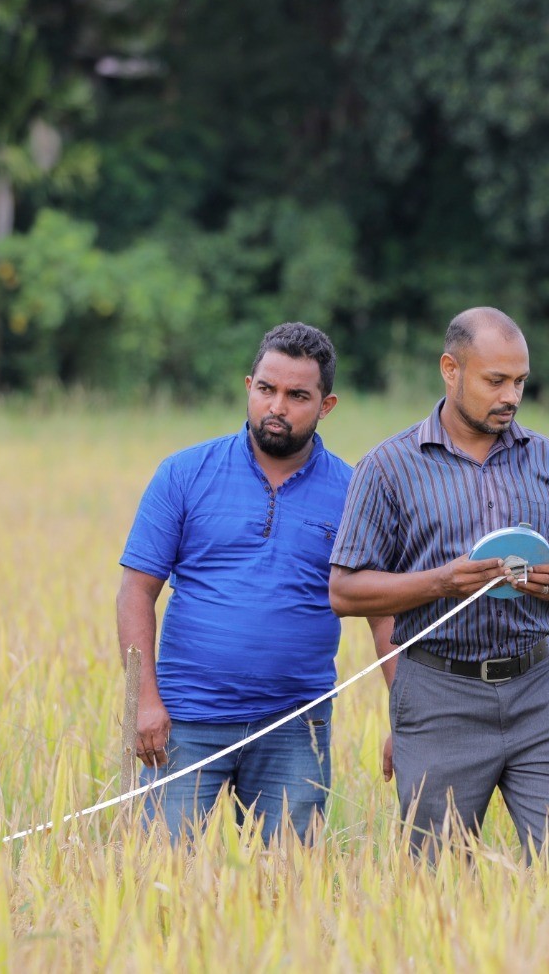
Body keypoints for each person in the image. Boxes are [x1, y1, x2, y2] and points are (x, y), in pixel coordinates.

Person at [327, 307, 549, 860]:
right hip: (438, 696)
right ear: (450, 370)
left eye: (520, 381)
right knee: (437, 878)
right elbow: (346, 591)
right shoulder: (387, 467)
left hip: (538, 688)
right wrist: (441, 582)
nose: (511, 396)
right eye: (494, 381)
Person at [117, 322, 391, 844]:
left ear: (326, 405)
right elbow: (137, 590)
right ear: (249, 386)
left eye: (297, 395)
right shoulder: (183, 473)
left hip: (294, 728)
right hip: (183, 723)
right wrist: (143, 703)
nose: (277, 407)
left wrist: (407, 718)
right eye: (266, 389)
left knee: (287, 891)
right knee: (157, 884)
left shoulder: (354, 492)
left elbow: (385, 615)